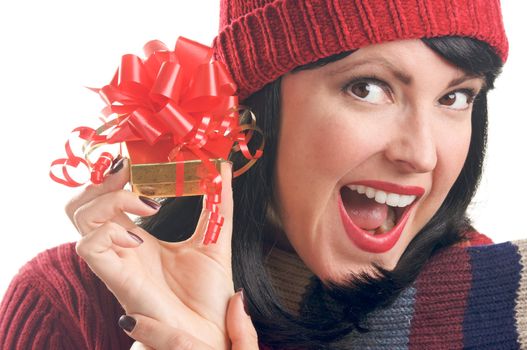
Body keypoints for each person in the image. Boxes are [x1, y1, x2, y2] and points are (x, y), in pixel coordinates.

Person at [1, 0, 526, 349]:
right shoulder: (70, 308)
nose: (423, 154)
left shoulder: (505, 307)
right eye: (368, 87)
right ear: (254, 108)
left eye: (455, 97)